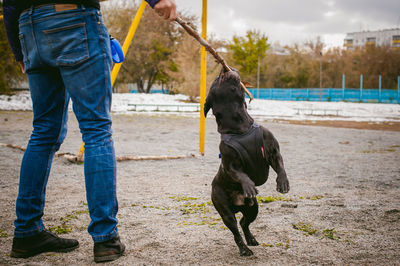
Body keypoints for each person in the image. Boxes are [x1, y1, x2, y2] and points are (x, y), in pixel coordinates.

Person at [2, 0, 176, 263]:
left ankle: (26, 231)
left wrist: (19, 50)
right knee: (97, 131)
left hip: (29, 26)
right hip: (73, 18)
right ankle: (105, 238)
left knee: (43, 132)